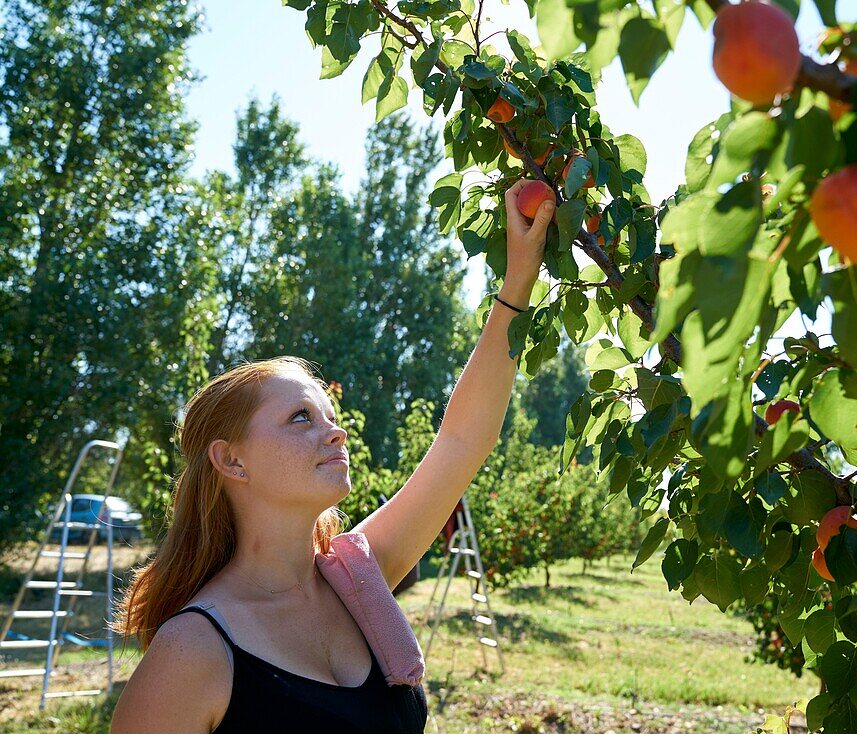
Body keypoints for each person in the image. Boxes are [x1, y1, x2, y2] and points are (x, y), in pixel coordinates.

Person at [108, 181, 556, 733]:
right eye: (301, 418)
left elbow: (462, 442)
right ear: (231, 461)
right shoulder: (192, 652)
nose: (336, 432)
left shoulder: (357, 583)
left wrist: (518, 280)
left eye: (329, 414)